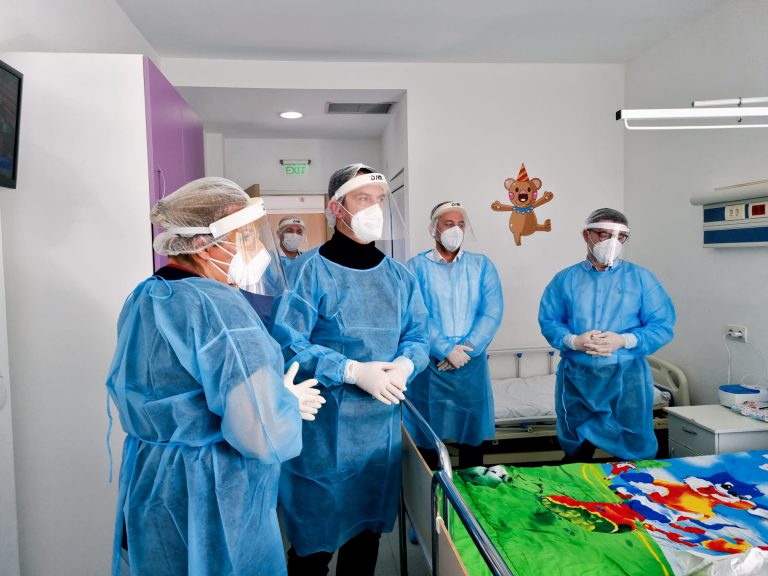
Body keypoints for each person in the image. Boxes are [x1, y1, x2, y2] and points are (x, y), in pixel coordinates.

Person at [106, 177, 325, 576]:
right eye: (246, 237)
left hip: (153, 487)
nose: (256, 249)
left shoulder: (146, 294)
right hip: (212, 495)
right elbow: (260, 435)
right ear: (206, 244)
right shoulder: (220, 308)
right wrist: (284, 405)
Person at [271, 163, 430, 576]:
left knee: (365, 539)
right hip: (322, 434)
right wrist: (351, 371)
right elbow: (287, 341)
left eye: (379, 200)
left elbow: (418, 335)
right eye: (363, 199)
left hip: (379, 434)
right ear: (336, 208)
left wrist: (405, 364)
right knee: (312, 549)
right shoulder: (309, 271)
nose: (374, 208)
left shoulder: (399, 276)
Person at [538, 208, 675, 463]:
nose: (612, 242)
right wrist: (573, 341)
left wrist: (624, 340)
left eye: (620, 236)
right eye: (603, 234)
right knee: (576, 453)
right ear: (586, 235)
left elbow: (662, 325)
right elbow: (550, 321)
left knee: (634, 456)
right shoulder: (565, 280)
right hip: (578, 378)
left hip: (626, 379)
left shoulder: (641, 279)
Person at [405, 201, 503, 469]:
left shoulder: (481, 266)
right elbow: (416, 314)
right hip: (431, 366)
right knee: (427, 441)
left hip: (470, 365)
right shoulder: (415, 268)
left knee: (472, 438)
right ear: (434, 228)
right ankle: (429, 491)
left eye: (461, 224)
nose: (455, 230)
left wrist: (466, 349)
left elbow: (491, 313)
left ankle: (472, 490)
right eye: (449, 224)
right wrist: (446, 349)